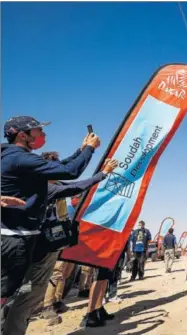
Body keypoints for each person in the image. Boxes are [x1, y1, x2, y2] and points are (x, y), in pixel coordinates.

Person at [4, 153, 118, 334]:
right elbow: (75, 186)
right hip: (42, 247)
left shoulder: (36, 184)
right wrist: (102, 173)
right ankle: (28, 310)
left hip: (35, 245)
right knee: (35, 286)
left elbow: (70, 181)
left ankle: (16, 308)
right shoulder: (47, 188)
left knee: (29, 285)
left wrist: (81, 151)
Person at [1, 116, 99, 326]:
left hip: (21, 239)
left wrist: (81, 150)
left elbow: (57, 166)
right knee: (17, 293)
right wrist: (90, 151)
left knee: (22, 291)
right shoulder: (19, 158)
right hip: (17, 241)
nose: (42, 135)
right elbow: (69, 172)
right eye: (37, 131)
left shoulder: (16, 158)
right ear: (22, 135)